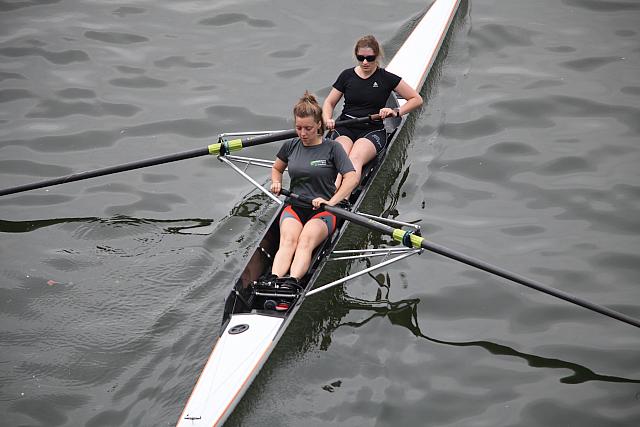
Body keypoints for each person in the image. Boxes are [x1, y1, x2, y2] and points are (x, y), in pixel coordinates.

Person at [266, 91, 359, 287]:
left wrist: (331, 202)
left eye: (308, 128)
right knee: (288, 241)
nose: (303, 133)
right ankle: (273, 281)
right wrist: (276, 182)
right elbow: (276, 168)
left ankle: (292, 282)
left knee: (305, 242)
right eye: (298, 128)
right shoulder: (290, 145)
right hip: (294, 206)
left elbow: (351, 178)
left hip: (324, 211)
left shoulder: (333, 148)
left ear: (319, 125)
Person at [323, 35, 423, 183]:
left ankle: (341, 197)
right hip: (345, 126)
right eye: (360, 57)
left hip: (372, 129)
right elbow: (329, 102)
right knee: (340, 157)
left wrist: (395, 111)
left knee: (354, 159)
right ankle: (331, 194)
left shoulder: (386, 78)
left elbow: (416, 99)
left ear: (377, 56)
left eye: (369, 58)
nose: (364, 62)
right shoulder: (346, 76)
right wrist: (327, 119)